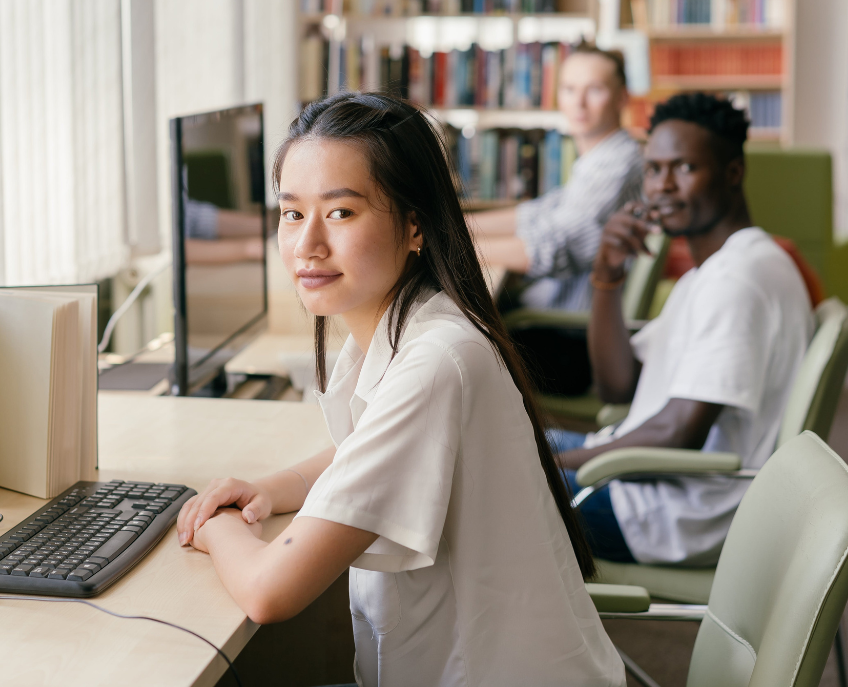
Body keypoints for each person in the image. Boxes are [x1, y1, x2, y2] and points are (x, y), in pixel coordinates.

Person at [175, 92, 624, 686]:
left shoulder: (437, 360)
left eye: (340, 213)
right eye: (291, 213)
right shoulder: (407, 326)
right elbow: (370, 450)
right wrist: (270, 489)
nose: (307, 243)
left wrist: (211, 524)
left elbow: (268, 592)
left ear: (415, 226)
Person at [551, 93, 815, 567]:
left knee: (478, 482)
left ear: (733, 173)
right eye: (653, 169)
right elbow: (618, 385)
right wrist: (607, 277)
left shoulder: (737, 279)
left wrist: (555, 467)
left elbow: (679, 432)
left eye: (684, 168)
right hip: (650, 482)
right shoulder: (711, 271)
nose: (661, 187)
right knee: (487, 445)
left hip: (675, 511)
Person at [469, 44, 643, 314]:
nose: (578, 102)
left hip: (567, 326)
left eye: (595, 90)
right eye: (569, 89)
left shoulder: (617, 163)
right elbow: (540, 213)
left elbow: (553, 246)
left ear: (622, 98)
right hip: (552, 309)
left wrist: (449, 248)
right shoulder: (598, 158)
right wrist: (457, 226)